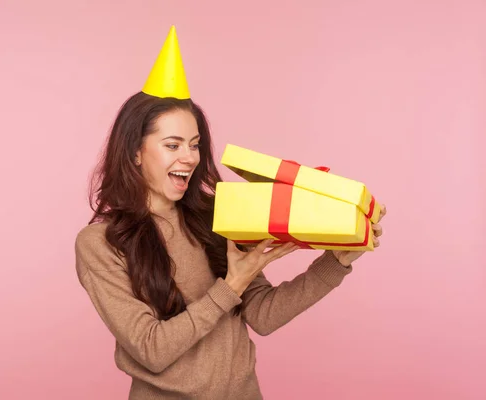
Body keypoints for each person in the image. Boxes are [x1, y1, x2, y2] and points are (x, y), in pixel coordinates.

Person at [74, 26, 386, 399]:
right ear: (135, 152)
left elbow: (262, 316)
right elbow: (152, 350)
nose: (189, 157)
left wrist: (336, 261)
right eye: (172, 144)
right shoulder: (100, 243)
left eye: (194, 145)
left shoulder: (217, 215)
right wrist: (231, 286)